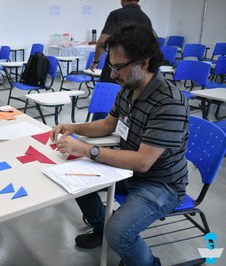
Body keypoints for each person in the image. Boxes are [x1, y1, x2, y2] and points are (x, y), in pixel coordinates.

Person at [51, 24, 189, 265]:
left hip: (161, 183)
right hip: (129, 172)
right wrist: (73, 127)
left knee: (119, 233)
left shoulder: (169, 102)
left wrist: (87, 150)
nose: (113, 74)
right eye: (111, 66)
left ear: (144, 63)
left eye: (118, 67)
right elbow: (107, 125)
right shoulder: (128, 88)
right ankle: (101, 227)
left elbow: (143, 162)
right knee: (73, 179)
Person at [89, 0, 152, 84]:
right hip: (136, 70)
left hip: (116, 68)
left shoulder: (116, 14)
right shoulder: (146, 19)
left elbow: (102, 42)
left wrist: (95, 61)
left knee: (109, 94)